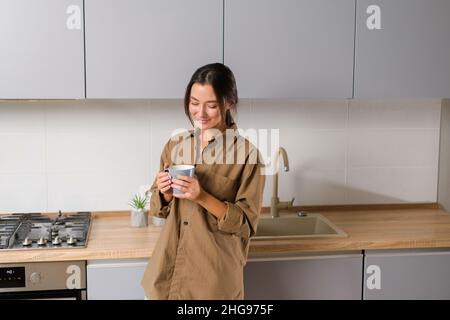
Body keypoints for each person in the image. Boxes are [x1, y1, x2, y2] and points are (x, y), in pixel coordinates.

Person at [141, 63, 265, 300]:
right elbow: (157, 209)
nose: (200, 113)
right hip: (165, 276)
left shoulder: (247, 156)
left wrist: (202, 196)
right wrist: (164, 193)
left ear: (229, 102)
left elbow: (247, 225)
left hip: (212, 283)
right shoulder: (176, 145)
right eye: (194, 103)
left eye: (211, 105)